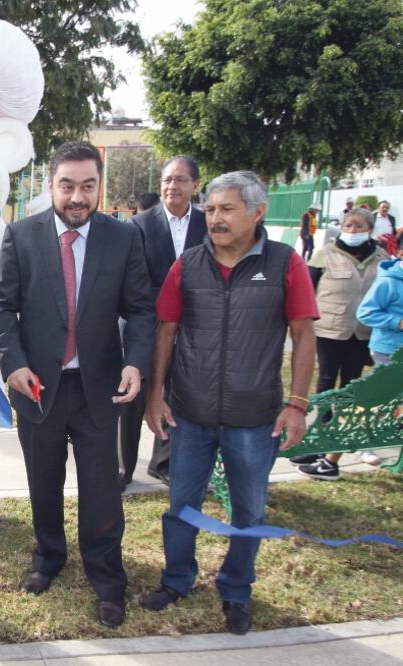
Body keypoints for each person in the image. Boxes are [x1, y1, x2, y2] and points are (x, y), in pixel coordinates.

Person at [141, 170, 317, 635]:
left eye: (226, 209)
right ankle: (176, 579)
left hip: (254, 418)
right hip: (190, 414)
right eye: (210, 209)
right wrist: (155, 395)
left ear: (257, 212)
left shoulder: (284, 263)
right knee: (182, 505)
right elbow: (166, 331)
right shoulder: (189, 264)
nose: (214, 218)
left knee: (249, 511)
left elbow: (303, 334)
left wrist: (297, 403)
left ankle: (237, 590)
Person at [0, 141, 155, 629]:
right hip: (37, 384)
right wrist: (13, 363)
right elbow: (1, 306)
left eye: (87, 186)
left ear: (99, 187)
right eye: (67, 186)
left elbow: (141, 309)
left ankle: (107, 577)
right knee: (44, 478)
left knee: (101, 488)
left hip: (99, 386)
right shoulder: (20, 235)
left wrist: (137, 362)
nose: (77, 197)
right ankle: (48, 557)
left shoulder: (123, 239)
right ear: (51, 186)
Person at [125, 157, 207, 490]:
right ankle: (122, 467)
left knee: (180, 394)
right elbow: (132, 280)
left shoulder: (207, 225)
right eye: (167, 180)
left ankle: (165, 462)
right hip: (148, 324)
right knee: (133, 397)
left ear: (195, 186)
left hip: (194, 327)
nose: (172, 186)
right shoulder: (139, 225)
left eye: (180, 180)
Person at [294, 208, 388, 480]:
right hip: (329, 330)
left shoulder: (381, 259)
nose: (353, 229)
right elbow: (306, 290)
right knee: (325, 384)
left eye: (359, 225)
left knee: (351, 387)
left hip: (362, 333)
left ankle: (338, 442)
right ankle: (318, 441)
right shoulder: (325, 254)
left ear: (370, 228)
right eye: (349, 224)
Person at [357, 240, 403, 366]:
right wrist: (398, 322)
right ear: (400, 253)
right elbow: (365, 313)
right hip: (388, 349)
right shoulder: (388, 282)